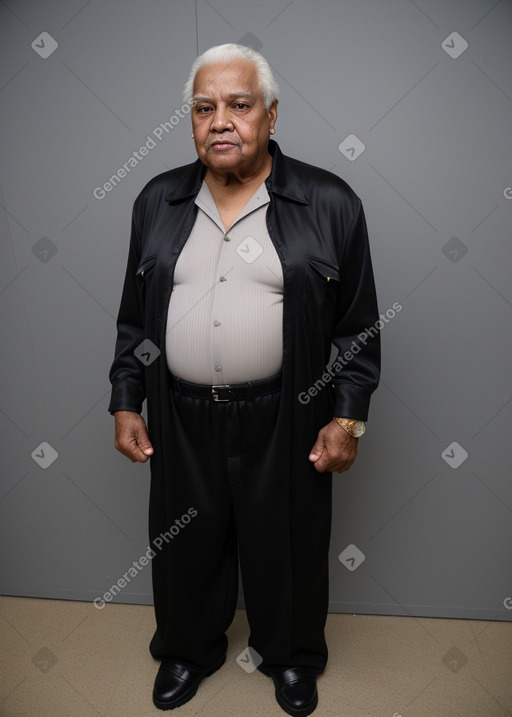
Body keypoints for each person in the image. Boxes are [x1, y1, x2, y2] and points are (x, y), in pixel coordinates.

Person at [109, 43, 380, 716]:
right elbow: (134, 322)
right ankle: (186, 650)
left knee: (285, 540)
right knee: (183, 540)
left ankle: (289, 657)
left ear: (271, 114)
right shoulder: (158, 200)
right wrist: (125, 399)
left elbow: (358, 329)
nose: (221, 120)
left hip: (284, 413)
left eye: (239, 104)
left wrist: (346, 419)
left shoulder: (329, 202)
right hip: (180, 412)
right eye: (205, 108)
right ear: (191, 119)